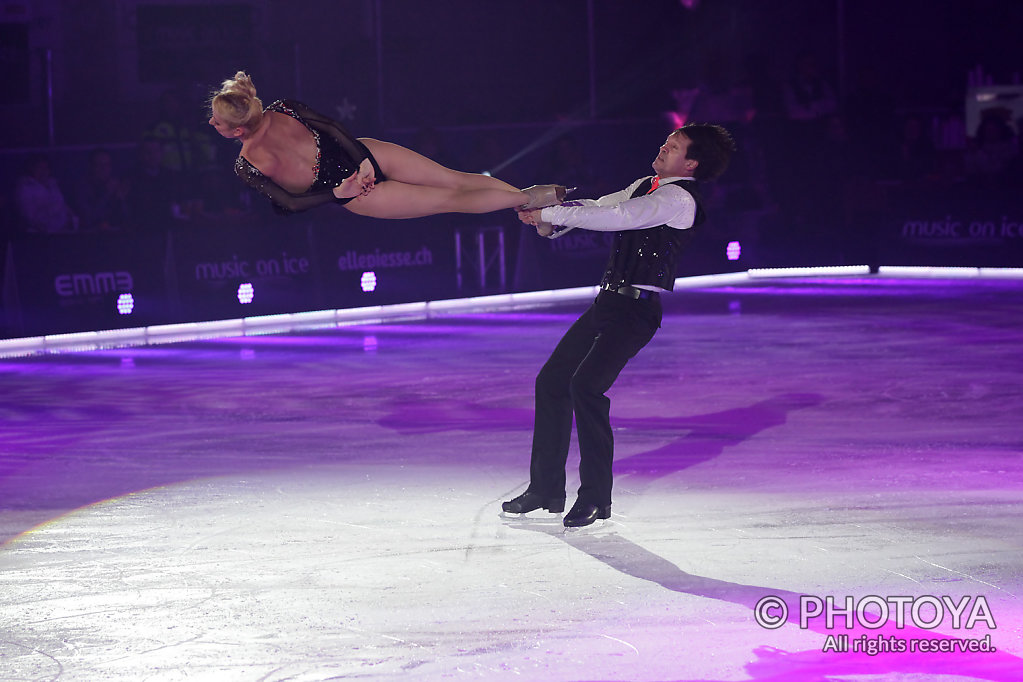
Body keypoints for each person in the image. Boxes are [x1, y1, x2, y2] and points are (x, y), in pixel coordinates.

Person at [504, 123, 736, 527]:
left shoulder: (678, 199)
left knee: (586, 387)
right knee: (553, 381)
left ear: (692, 162)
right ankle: (545, 489)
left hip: (635, 312)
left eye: (675, 145)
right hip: (608, 303)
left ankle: (595, 497)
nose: (664, 145)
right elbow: (599, 205)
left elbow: (620, 217)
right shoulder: (646, 183)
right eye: (667, 139)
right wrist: (553, 221)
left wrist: (548, 213)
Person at [208, 71, 563, 218]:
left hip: (355, 191)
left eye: (217, 121)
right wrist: (361, 159)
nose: (212, 123)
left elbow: (289, 202)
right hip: (364, 153)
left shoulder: (247, 163)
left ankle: (531, 202)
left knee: (450, 197)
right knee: (457, 180)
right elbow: (332, 126)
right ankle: (532, 196)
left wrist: (341, 191)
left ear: (236, 131)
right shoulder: (282, 107)